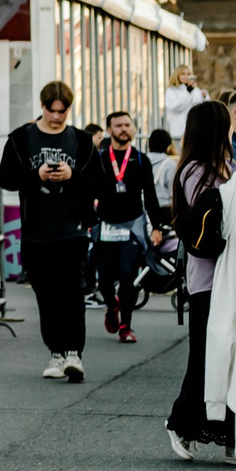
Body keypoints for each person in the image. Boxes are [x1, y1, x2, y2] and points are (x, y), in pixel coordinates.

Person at [165, 98, 236, 462]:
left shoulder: (227, 164)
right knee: (207, 356)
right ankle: (182, 424)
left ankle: (233, 435)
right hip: (209, 277)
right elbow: (211, 214)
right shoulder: (193, 170)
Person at [0, 81, 99, 382]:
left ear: (69, 109)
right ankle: (55, 352)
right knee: (45, 294)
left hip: (72, 228)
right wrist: (36, 175)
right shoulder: (21, 138)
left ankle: (73, 354)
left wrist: (72, 175)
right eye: (51, 110)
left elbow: (98, 181)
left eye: (62, 111)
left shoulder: (81, 141)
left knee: (71, 291)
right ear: (42, 107)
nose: (56, 116)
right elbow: (6, 177)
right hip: (35, 230)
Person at [92, 109, 161, 344]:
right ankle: (112, 306)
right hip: (105, 224)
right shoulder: (100, 158)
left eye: (127, 125)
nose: (124, 129)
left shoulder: (141, 159)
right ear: (109, 130)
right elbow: (89, 189)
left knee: (126, 273)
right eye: (118, 126)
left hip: (132, 224)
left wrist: (157, 227)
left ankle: (126, 327)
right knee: (104, 278)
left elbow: (150, 195)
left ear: (132, 128)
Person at [163, 62, 205, 144]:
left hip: (195, 132)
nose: (186, 76)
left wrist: (204, 96)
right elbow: (175, 107)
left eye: (188, 74)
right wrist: (187, 93)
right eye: (183, 74)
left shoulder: (194, 89)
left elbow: (202, 106)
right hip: (179, 132)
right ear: (177, 75)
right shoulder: (171, 91)